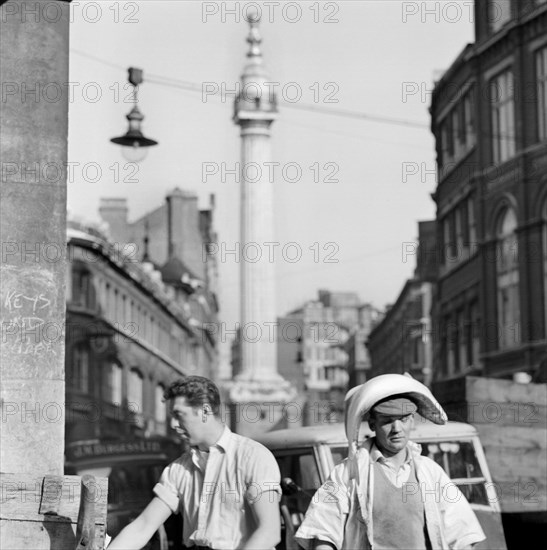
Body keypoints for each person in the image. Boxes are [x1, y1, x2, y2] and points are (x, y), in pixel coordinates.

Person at [294, 374, 486, 550]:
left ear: (412, 421)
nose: (396, 429)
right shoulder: (348, 473)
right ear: (372, 424)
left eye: (403, 419)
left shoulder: (430, 472)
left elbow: (461, 534)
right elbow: (323, 531)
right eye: (387, 420)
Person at [107, 376, 281, 550]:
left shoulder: (253, 456)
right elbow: (143, 526)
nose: (174, 424)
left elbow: (269, 532)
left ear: (205, 411)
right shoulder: (177, 469)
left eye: (178, 415)